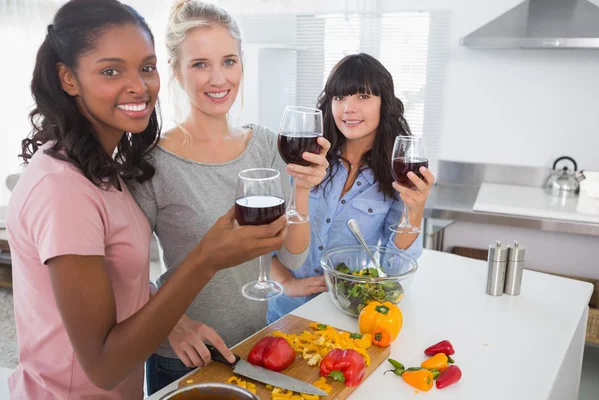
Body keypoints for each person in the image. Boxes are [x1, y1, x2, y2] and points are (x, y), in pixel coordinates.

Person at [6, 1, 287, 398]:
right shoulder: (61, 189)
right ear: (68, 78)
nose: (138, 85)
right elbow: (103, 366)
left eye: (146, 67)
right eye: (111, 71)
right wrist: (205, 259)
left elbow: (122, 281)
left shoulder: (102, 170)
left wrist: (176, 318)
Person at [128, 0, 330, 394]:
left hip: (255, 342)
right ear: (175, 71)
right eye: (200, 64)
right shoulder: (151, 163)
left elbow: (290, 256)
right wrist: (174, 323)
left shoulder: (267, 145)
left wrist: (302, 190)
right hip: (184, 353)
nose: (218, 78)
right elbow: (124, 274)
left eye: (229, 61)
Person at [268, 53, 436, 324]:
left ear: (385, 103)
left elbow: (393, 267)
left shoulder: (394, 175)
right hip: (285, 312)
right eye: (339, 97)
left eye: (363, 97)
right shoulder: (305, 158)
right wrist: (287, 282)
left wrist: (415, 209)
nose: (348, 107)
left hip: (345, 314)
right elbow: (265, 242)